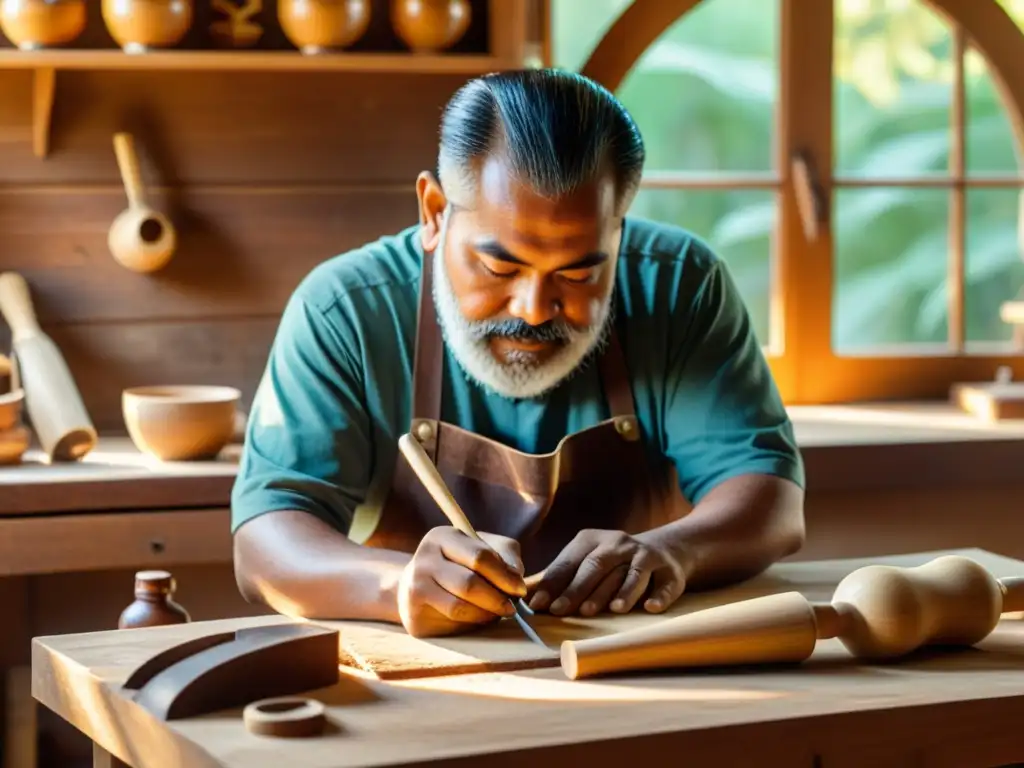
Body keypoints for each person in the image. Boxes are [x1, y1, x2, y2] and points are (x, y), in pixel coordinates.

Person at [231, 68, 806, 638]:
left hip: (635, 655)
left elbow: (772, 503)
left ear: (618, 231)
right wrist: (395, 584)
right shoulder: (346, 310)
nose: (534, 308)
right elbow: (265, 542)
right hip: (432, 671)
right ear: (433, 213)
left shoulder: (680, 286)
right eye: (499, 267)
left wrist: (673, 551)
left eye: (580, 273)